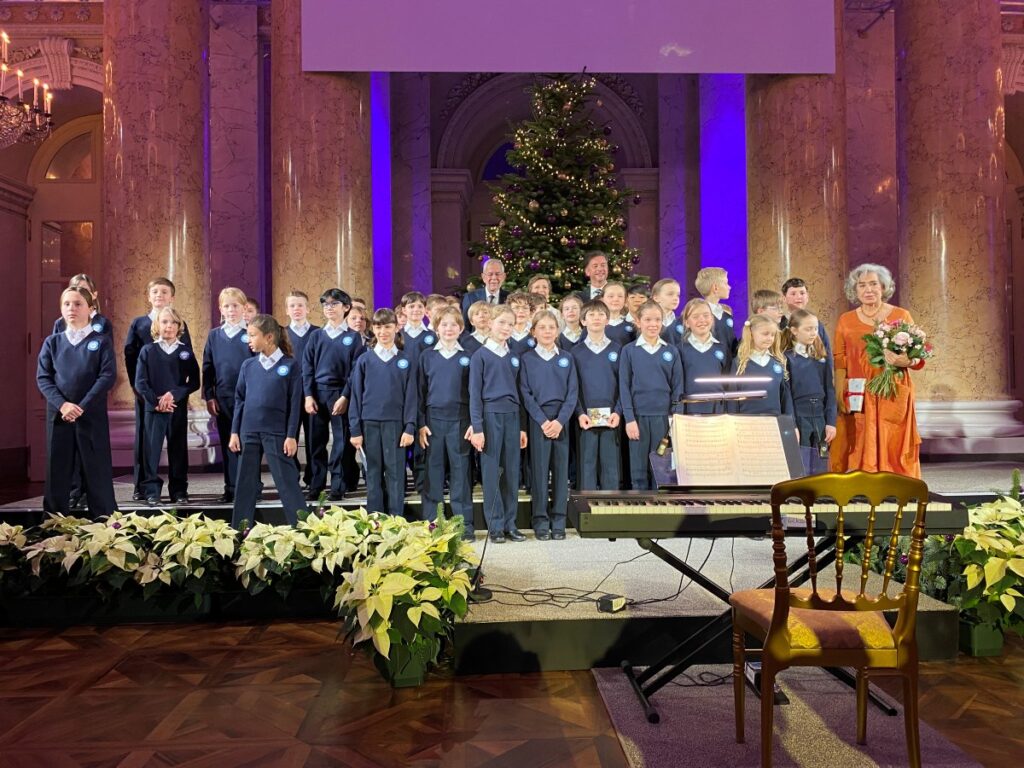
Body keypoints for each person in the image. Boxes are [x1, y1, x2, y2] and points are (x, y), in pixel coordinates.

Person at [830, 264, 921, 477]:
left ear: (883, 287)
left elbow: (918, 356)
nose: (868, 290)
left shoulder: (901, 315)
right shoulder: (846, 319)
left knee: (894, 436)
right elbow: (839, 359)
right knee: (859, 435)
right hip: (858, 390)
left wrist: (903, 360)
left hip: (892, 389)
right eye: (862, 285)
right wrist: (839, 391)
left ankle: (897, 482)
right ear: (855, 290)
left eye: (873, 284)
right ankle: (863, 481)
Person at [37, 286, 117, 517]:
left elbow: (107, 376)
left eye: (78, 304)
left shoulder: (101, 342)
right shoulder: (52, 342)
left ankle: (105, 523)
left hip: (90, 414)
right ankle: (53, 524)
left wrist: (82, 405)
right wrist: (63, 405)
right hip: (59, 415)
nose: (72, 308)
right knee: (57, 470)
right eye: (67, 304)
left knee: (96, 469)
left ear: (91, 309)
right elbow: (43, 378)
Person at [229, 315, 307, 528]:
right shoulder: (248, 366)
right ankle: (240, 531)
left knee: (287, 482)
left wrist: (291, 435)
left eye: (253, 335)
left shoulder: (291, 366)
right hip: (248, 432)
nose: (248, 340)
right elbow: (240, 400)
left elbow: (295, 405)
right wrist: (235, 432)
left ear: (270, 337)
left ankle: (304, 529)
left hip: (276, 433)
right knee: (245, 484)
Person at [124, 277, 192, 501]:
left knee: (176, 443)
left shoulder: (180, 325)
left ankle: (178, 489)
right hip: (146, 393)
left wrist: (176, 394)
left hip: (174, 396)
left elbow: (188, 363)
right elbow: (130, 356)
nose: (159, 295)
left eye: (164, 292)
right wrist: (143, 392)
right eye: (155, 291)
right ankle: (144, 487)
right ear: (148, 295)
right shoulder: (139, 324)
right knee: (146, 441)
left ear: (171, 297)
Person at [349, 308, 417, 518]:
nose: (383, 331)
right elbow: (356, 397)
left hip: (396, 425)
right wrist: (355, 429)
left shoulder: (405, 361)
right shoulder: (364, 360)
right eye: (378, 327)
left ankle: (397, 519)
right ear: (373, 329)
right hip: (369, 424)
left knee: (396, 473)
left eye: (388, 326)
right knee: (373, 473)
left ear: (396, 328)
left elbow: (412, 397)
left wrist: (410, 427)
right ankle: (375, 519)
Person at [469, 304, 528, 543]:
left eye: (510, 324)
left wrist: (522, 426)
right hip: (490, 416)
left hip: (512, 416)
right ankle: (495, 526)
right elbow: (474, 394)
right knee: (492, 473)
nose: (506, 328)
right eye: (502, 322)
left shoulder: (514, 356)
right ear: (490, 323)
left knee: (512, 473)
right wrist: (478, 427)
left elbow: (521, 393)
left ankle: (510, 524)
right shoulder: (480, 356)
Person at [520, 310, 578, 540]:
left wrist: (560, 421)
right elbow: (525, 393)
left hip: (561, 421)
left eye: (551, 327)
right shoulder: (526, 359)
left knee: (561, 473)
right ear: (533, 332)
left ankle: (559, 522)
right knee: (540, 474)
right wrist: (544, 421)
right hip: (539, 421)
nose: (547, 331)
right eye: (541, 327)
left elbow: (573, 393)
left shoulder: (566, 357)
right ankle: (541, 521)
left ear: (558, 330)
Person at [134, 307, 201, 506]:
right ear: (157, 325)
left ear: (179, 326)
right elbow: (140, 382)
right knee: (151, 451)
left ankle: (179, 490)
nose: (169, 326)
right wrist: (156, 402)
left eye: (173, 322)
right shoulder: (148, 350)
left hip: (176, 408)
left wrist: (174, 395)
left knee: (178, 450)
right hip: (153, 409)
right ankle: (151, 491)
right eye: (164, 322)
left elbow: (194, 382)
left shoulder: (185, 352)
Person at [417, 307, 474, 538]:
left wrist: (473, 423)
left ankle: (464, 524)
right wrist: (420, 423)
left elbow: (474, 393)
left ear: (461, 328)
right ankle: (433, 523)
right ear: (436, 328)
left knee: (461, 473)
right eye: (444, 325)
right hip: (433, 421)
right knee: (433, 472)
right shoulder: (427, 356)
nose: (449, 329)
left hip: (460, 421)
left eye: (453, 325)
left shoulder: (468, 357)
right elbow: (419, 393)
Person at [302, 288, 363, 502]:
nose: (329, 308)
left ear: (346, 308)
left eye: (334, 304)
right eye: (326, 304)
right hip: (318, 393)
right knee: (316, 441)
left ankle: (338, 484)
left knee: (341, 442)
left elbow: (356, 371)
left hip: (340, 393)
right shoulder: (316, 336)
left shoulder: (353, 338)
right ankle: (316, 485)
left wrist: (346, 397)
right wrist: (308, 395)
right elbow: (307, 367)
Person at [619, 300, 683, 490]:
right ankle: (640, 511)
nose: (653, 324)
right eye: (647, 319)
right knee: (638, 469)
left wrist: (674, 417)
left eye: (657, 319)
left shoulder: (671, 351)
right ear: (638, 322)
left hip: (663, 418)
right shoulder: (629, 351)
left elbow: (678, 387)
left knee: (661, 469)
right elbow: (624, 386)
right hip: (638, 417)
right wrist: (629, 418)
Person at [202, 287, 255, 503]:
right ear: (220, 309)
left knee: (248, 443)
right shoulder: (214, 335)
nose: (231, 310)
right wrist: (209, 396)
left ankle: (251, 487)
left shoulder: (251, 332)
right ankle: (231, 487)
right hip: (223, 398)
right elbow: (207, 368)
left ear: (244, 308)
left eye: (235, 306)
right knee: (228, 442)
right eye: (227, 306)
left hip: (249, 398)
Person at [572, 300, 622, 491]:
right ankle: (588, 512)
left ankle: (611, 511)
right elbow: (572, 388)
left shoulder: (617, 350)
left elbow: (623, 385)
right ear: (583, 321)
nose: (596, 318)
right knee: (587, 464)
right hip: (585, 418)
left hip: (611, 418)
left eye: (601, 314)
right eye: (591, 315)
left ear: (607, 320)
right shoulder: (575, 352)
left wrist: (618, 411)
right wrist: (579, 413)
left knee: (610, 466)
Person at [783, 309, 836, 474]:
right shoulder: (787, 358)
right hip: (800, 416)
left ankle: (819, 492)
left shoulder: (821, 357)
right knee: (802, 460)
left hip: (819, 416)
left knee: (822, 457)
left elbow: (829, 389)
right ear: (794, 331)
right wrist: (792, 424)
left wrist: (831, 422)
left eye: (815, 328)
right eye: (808, 329)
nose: (813, 333)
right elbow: (787, 396)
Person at [285, 290, 319, 489]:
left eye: (300, 305)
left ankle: (314, 481)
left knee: (315, 439)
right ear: (287, 310)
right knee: (290, 438)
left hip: (313, 394)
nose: (296, 309)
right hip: (289, 395)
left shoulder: (318, 333)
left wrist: (311, 393)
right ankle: (291, 479)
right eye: (292, 305)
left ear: (308, 308)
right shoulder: (282, 334)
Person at [730, 315, 794, 419]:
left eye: (772, 335)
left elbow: (785, 398)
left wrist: (792, 424)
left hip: (774, 422)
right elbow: (732, 400)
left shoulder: (778, 363)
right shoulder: (739, 363)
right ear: (751, 333)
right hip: (747, 423)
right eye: (765, 334)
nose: (769, 338)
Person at [676, 298, 729, 415]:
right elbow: (677, 385)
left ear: (712, 318)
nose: (702, 320)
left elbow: (728, 382)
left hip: (717, 410)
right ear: (687, 322)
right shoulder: (679, 350)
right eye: (695, 317)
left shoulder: (722, 349)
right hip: (689, 410)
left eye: (706, 315)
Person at [695, 267, 737, 359]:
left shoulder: (727, 313)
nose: (729, 287)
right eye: (726, 283)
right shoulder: (698, 314)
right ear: (715, 288)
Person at [781, 277, 832, 353]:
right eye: (793, 294)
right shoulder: (779, 325)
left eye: (802, 293)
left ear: (807, 297)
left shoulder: (817, 324)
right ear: (784, 298)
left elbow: (827, 351)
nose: (799, 297)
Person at [461, 258, 509, 324]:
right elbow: (465, 326)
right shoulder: (470, 298)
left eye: (497, 274)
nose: (494, 278)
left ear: (503, 276)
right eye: (490, 274)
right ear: (483, 277)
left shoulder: (509, 298)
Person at [602, 282, 636, 347]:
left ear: (625, 300)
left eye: (620, 296)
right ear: (603, 299)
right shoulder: (593, 324)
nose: (615, 299)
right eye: (611, 296)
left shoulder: (632, 326)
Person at [651, 278, 683, 346]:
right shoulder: (647, 322)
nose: (676, 298)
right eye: (670, 294)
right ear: (656, 298)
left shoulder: (682, 322)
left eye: (678, 295)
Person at [506, 291, 537, 356]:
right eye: (516, 308)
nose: (521, 311)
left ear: (530, 311)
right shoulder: (503, 332)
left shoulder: (536, 332)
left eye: (525, 308)